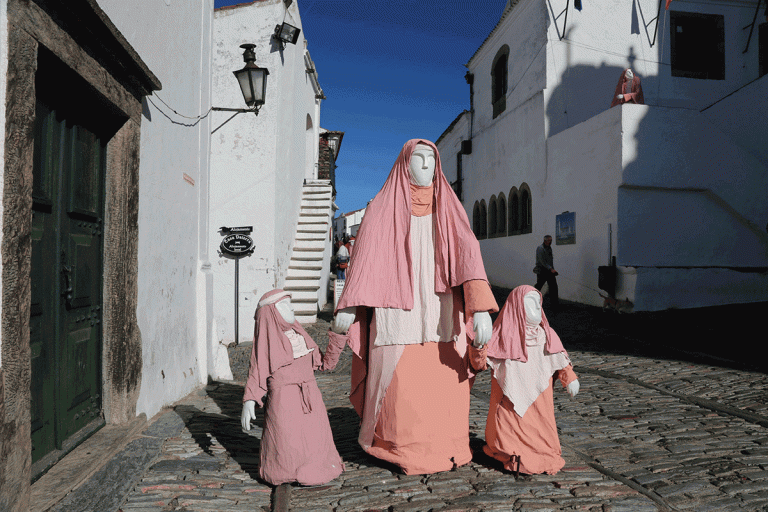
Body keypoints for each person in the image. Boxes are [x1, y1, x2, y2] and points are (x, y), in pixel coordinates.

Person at [324, 139, 498, 475]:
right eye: (417, 159)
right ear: (404, 164)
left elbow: (469, 261)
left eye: (431, 160)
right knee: (400, 391)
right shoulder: (380, 209)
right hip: (395, 318)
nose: (426, 166)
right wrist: (350, 306)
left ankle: (449, 445)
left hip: (443, 314)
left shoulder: (451, 209)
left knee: (445, 386)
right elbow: (365, 266)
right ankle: (395, 446)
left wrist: (480, 310)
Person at [470, 285, 579, 475]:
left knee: (543, 433)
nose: (537, 308)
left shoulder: (547, 335)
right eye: (530, 303)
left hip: (540, 406)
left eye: (539, 303)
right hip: (509, 407)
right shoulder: (501, 335)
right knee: (508, 426)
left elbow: (560, 359)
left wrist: (569, 378)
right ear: (517, 307)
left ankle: (541, 451)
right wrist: (478, 345)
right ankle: (509, 451)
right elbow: (479, 364)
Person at [241, 289, 344, 486]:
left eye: (291, 303)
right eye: (285, 305)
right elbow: (257, 369)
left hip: (311, 398)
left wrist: (338, 336)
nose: (292, 308)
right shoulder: (267, 342)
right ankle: (283, 471)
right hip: (284, 401)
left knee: (313, 440)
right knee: (287, 441)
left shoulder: (301, 336)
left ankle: (317, 465)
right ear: (272, 312)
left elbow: (325, 364)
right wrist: (250, 400)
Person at [534, 235, 559, 310]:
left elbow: (550, 261)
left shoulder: (549, 248)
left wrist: (552, 269)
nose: (550, 242)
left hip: (549, 271)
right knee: (538, 287)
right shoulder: (540, 248)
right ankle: (531, 301)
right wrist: (551, 269)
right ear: (545, 241)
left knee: (554, 288)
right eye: (549, 241)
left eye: (551, 240)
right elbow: (542, 261)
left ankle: (554, 305)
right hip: (542, 271)